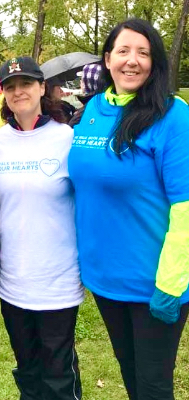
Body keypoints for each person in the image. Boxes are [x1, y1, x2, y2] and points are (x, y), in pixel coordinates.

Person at [68, 18, 189, 400]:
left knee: (153, 387)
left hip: (154, 282)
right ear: (107, 59)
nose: (132, 61)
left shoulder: (173, 115)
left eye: (143, 52)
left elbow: (186, 206)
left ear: (155, 63)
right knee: (132, 376)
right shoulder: (93, 110)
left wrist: (170, 282)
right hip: (105, 279)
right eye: (123, 51)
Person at [0, 56, 84, 400]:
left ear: (43, 88)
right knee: (27, 369)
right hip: (13, 282)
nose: (18, 92)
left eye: (26, 84)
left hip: (58, 279)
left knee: (58, 373)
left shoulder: (68, 139)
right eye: (10, 87)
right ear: (3, 96)